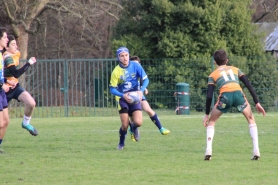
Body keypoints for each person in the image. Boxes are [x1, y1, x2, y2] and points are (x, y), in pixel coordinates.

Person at [203, 49, 266, 161]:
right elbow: (248, 84)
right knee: (251, 119)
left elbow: (209, 96)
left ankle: (208, 150)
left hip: (225, 97)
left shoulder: (212, 75)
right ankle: (256, 150)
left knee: (211, 122)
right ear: (226, 60)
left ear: (215, 62)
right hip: (238, 95)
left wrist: (207, 114)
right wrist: (257, 102)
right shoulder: (236, 69)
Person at [109, 47, 149, 150]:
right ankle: (121, 143)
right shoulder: (116, 71)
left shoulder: (136, 65)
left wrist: (141, 90)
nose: (125, 58)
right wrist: (123, 95)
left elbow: (146, 80)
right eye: (122, 56)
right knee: (125, 125)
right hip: (123, 99)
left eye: (126, 55)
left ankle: (134, 127)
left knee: (139, 122)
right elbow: (112, 89)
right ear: (119, 58)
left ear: (128, 55)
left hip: (135, 97)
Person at [3, 35, 38, 136]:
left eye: (16, 44)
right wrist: (29, 63)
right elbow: (16, 74)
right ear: (7, 47)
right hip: (4, 90)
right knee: (3, 121)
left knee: (31, 103)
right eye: (13, 44)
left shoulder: (17, 53)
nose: (16, 47)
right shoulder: (7, 57)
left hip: (15, 87)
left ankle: (26, 123)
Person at [128, 55, 170, 140]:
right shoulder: (127, 73)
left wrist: (144, 88)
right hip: (129, 97)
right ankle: (133, 130)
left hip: (139, 95)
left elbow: (140, 82)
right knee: (133, 119)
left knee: (148, 109)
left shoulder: (139, 72)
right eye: (134, 64)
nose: (137, 66)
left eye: (138, 64)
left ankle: (161, 128)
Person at [0, 27, 11, 153]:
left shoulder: (1, 55)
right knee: (1, 122)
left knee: (6, 121)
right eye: (5, 37)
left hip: (1, 92)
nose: (7, 39)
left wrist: (7, 82)